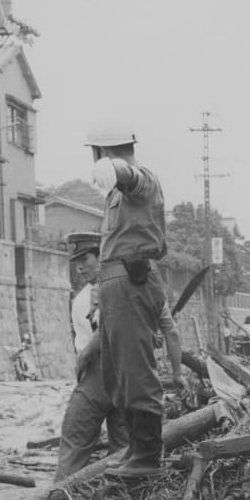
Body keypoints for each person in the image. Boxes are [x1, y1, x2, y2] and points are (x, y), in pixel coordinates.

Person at [87, 126, 175, 480]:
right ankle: (135, 450)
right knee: (119, 371)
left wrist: (114, 167)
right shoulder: (115, 195)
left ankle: (148, 454)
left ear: (101, 151)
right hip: (114, 279)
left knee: (136, 368)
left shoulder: (141, 180)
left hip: (130, 277)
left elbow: (130, 176)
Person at [55, 231, 129, 483]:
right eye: (75, 261)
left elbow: (108, 330)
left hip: (103, 372)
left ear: (101, 256)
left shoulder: (112, 289)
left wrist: (85, 356)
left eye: (84, 259)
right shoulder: (82, 299)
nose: (79, 267)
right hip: (120, 376)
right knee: (121, 450)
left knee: (75, 444)